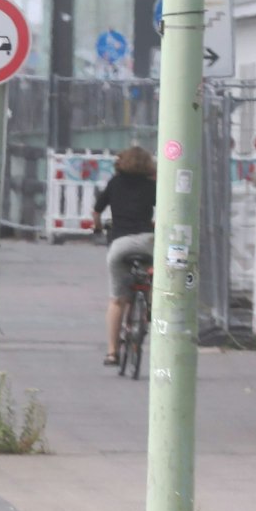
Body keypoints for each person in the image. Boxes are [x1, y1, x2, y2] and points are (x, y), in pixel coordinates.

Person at [94, 146, 157, 366]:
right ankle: (148, 306)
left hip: (120, 245)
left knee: (117, 300)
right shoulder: (151, 186)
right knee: (153, 273)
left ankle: (112, 352)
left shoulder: (115, 183)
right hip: (148, 242)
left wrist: (97, 227)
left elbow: (96, 211)